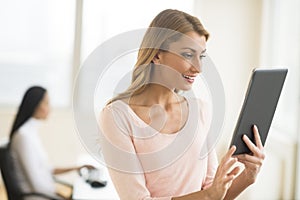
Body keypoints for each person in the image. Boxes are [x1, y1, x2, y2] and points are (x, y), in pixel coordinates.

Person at [99, 9, 265, 200]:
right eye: (188, 54)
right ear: (157, 55)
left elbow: (213, 192)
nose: (198, 68)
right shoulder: (117, 116)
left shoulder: (200, 109)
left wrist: (248, 177)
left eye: (201, 56)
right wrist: (211, 194)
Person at [9, 86, 93, 200]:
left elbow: (47, 169)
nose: (50, 108)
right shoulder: (23, 137)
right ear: (35, 105)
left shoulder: (30, 133)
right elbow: (36, 185)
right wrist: (59, 196)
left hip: (45, 195)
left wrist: (76, 168)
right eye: (47, 103)